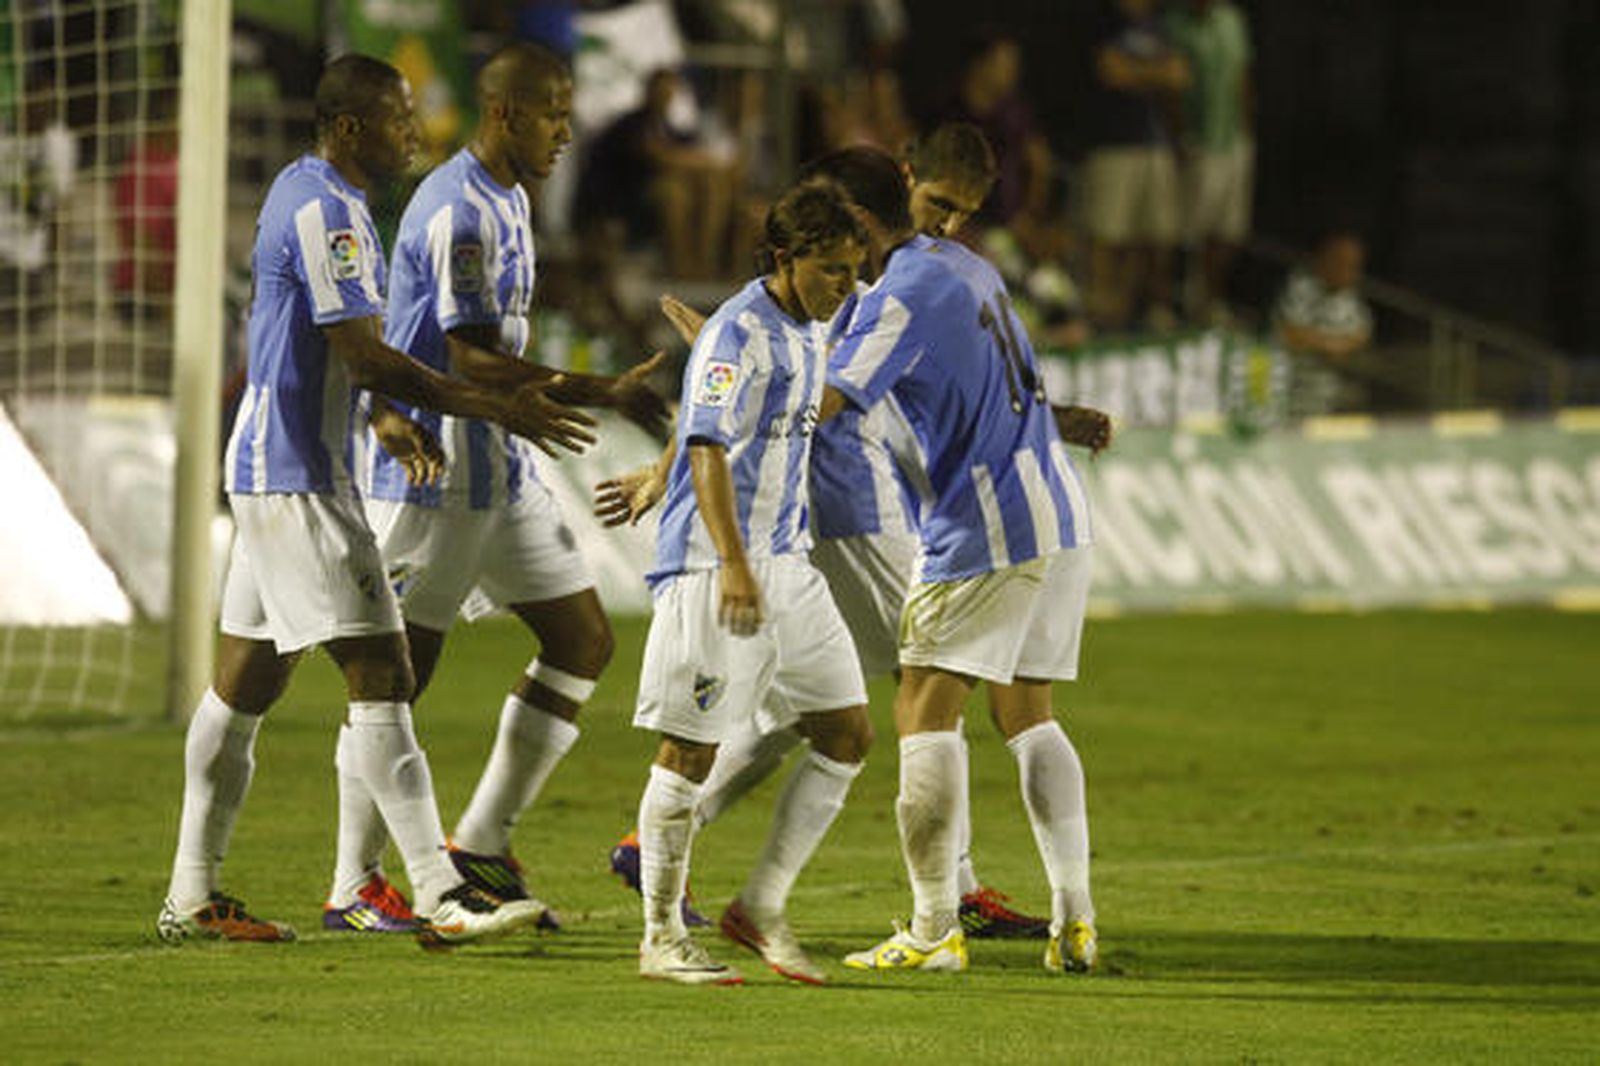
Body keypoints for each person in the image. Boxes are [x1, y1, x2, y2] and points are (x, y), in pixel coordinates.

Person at [602, 125, 1111, 946]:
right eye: (934, 206)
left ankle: (683, 845)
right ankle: (960, 901)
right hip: (854, 508)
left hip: (872, 512)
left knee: (835, 701)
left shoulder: (869, 292)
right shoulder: (883, 288)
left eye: (958, 212)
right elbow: (779, 400)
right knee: (923, 692)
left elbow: (801, 386)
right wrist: (676, 454)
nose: (943, 225)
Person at [155, 54, 595, 947]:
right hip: (298, 477)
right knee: (385, 672)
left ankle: (192, 895)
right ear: (352, 127)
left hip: (285, 469)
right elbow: (364, 354)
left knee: (245, 685)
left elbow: (339, 356)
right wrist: (487, 403)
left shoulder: (326, 196)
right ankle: (435, 891)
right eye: (398, 120)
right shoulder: (325, 211)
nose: (414, 131)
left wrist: (386, 419)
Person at [318, 42, 668, 934]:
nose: (565, 130)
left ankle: (480, 840)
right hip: (432, 475)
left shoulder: (511, 197)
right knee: (393, 683)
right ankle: (354, 881)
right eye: (553, 112)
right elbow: (468, 352)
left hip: (502, 471)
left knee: (583, 640)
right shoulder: (458, 211)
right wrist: (604, 389)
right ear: (506, 112)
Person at [805, 147, 1100, 976]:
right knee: (1029, 714)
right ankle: (1075, 921)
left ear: (860, 224)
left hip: (988, 523)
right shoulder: (967, 266)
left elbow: (822, 407)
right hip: (1058, 509)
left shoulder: (899, 294)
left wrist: (728, 372)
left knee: (922, 709)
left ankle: (935, 928)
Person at [629, 179, 873, 985]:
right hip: (712, 565)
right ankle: (661, 937)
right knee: (687, 751)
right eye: (833, 269)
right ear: (784, 259)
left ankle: (759, 905)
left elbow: (721, 411)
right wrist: (732, 561)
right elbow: (707, 445)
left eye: (853, 268)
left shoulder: (804, 327)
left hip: (788, 565)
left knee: (846, 732)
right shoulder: (741, 332)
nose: (847, 284)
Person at [1082, 0, 1189, 330]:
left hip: (1157, 144)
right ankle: (1100, 315)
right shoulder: (1102, 20)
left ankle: (1141, 311)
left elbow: (1182, 76)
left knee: (1155, 235)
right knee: (1108, 234)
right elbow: (1111, 71)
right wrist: (1158, 74)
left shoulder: (1162, 25)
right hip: (1113, 142)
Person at [573, 68, 740, 280]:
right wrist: (709, 163)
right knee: (673, 194)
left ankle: (705, 262)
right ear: (649, 92)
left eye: (669, 93)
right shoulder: (630, 125)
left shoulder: (670, 128)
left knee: (713, 187)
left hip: (647, 203)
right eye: (661, 91)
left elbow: (687, 151)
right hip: (621, 204)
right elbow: (659, 155)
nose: (665, 98)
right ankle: (680, 265)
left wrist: (711, 168)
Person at [1166, 0, 1254, 323]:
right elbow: (1173, 89)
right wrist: (1179, 137)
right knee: (1194, 230)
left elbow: (1243, 75)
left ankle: (1212, 302)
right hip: (1199, 140)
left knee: (1230, 231)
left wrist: (1247, 132)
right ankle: (1188, 303)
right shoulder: (1174, 24)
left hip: (1234, 139)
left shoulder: (1231, 19)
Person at [1274, 229, 1373, 363]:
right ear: (1322, 259)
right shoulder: (1300, 286)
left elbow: (1360, 340)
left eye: (1352, 266)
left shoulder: (1354, 302)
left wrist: (1316, 341)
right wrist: (1336, 344)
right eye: (1339, 261)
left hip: (1333, 381)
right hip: (1293, 372)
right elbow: (1291, 334)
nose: (1344, 270)